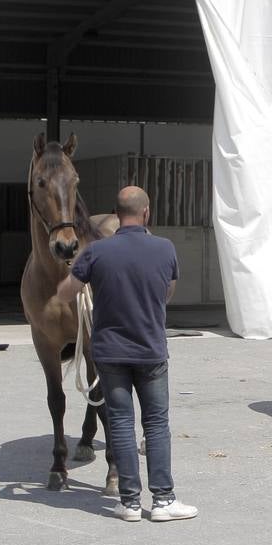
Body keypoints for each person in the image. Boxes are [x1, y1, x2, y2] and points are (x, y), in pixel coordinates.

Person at [55, 185, 196, 523]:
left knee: (120, 422)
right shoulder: (165, 248)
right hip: (150, 350)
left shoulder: (95, 253)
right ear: (146, 213)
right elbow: (167, 292)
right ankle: (162, 501)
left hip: (110, 352)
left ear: (116, 215)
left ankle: (129, 503)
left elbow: (64, 294)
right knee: (157, 423)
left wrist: (75, 270)